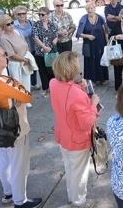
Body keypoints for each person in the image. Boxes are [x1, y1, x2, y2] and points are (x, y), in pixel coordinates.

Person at [0, 44, 42, 208]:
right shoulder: (5, 81)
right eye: (3, 55)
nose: (6, 56)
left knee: (4, 160)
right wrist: (15, 89)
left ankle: (8, 193)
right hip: (14, 128)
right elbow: (27, 96)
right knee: (18, 165)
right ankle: (20, 200)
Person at [50, 51, 99, 208]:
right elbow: (86, 123)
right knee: (79, 173)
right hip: (77, 139)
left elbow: (66, 95)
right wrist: (93, 104)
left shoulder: (53, 83)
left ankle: (72, 196)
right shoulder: (78, 94)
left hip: (62, 134)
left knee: (70, 167)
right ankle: (79, 202)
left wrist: (77, 87)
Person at [0, 14, 33, 108]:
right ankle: (20, 101)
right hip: (15, 63)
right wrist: (24, 59)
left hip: (25, 60)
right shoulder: (4, 39)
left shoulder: (17, 32)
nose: (11, 26)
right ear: (3, 27)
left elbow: (25, 44)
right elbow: (11, 54)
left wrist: (27, 55)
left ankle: (26, 99)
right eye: (8, 24)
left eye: (12, 23)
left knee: (26, 80)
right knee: (18, 82)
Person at [76, 2, 109, 85]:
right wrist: (88, 36)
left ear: (94, 9)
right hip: (89, 44)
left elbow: (105, 31)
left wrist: (107, 42)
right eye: (88, 9)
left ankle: (103, 78)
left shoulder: (100, 18)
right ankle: (91, 79)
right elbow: (79, 33)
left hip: (100, 43)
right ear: (86, 10)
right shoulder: (83, 19)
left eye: (91, 8)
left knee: (101, 59)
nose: (90, 10)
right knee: (90, 61)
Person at [33, 7, 58, 98]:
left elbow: (56, 36)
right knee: (42, 70)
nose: (40, 16)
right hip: (40, 52)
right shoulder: (36, 24)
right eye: (39, 14)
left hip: (51, 51)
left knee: (51, 69)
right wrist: (44, 47)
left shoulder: (52, 24)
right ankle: (45, 88)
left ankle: (53, 87)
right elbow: (35, 37)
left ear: (47, 15)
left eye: (42, 14)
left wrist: (50, 47)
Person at [14, 5, 40, 90]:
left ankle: (33, 83)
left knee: (33, 65)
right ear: (16, 15)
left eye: (23, 13)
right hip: (21, 51)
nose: (22, 15)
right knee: (24, 68)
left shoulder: (31, 23)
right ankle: (24, 86)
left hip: (32, 48)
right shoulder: (13, 25)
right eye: (19, 14)